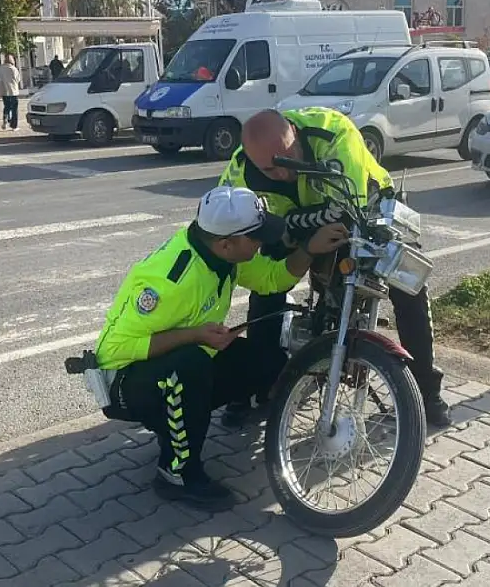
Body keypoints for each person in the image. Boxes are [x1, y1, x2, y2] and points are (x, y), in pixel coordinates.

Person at [94, 186, 349, 510]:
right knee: (190, 365)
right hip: (125, 383)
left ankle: (179, 424)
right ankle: (176, 473)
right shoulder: (172, 281)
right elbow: (112, 351)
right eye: (254, 237)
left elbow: (272, 279)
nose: (261, 243)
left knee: (267, 362)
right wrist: (195, 335)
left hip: (173, 362)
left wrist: (310, 249)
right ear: (227, 243)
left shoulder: (221, 253)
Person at [218, 107, 451, 429]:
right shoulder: (241, 166)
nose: (282, 174)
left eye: (288, 160)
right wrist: (288, 233)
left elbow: (346, 210)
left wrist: (287, 225)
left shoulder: (333, 133)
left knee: (406, 278)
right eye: (269, 171)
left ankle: (427, 392)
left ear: (295, 136)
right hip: (299, 222)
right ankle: (260, 383)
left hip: (364, 207)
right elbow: (228, 221)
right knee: (266, 284)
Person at [0, 54, 22, 131]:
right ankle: (14, 126)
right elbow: (18, 79)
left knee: (7, 106)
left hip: (4, 91)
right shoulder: (13, 69)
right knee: (14, 108)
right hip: (13, 91)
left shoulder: (0, 68)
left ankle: (5, 119)